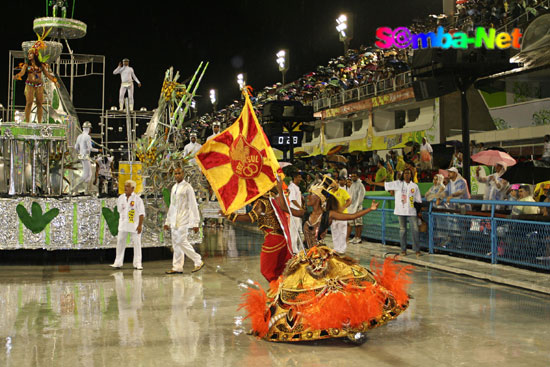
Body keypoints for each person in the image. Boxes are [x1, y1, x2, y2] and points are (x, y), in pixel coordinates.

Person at [228, 179, 303, 282]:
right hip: (280, 238)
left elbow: (251, 217)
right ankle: (281, 289)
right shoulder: (273, 199)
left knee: (267, 271)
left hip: (273, 239)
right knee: (279, 270)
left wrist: (231, 216)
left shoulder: (262, 201)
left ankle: (276, 289)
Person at [368, 168, 423, 256]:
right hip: (400, 211)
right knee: (402, 230)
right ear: (403, 175)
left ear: (411, 175)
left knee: (415, 230)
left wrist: (419, 211)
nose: (407, 175)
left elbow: (418, 200)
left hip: (412, 211)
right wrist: (373, 183)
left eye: (408, 173)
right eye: (405, 173)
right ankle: (403, 250)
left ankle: (417, 250)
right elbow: (385, 184)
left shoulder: (415, 186)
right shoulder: (398, 183)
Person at [164, 166, 204, 274]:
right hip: (174, 220)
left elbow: (193, 205)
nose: (177, 175)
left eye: (179, 173)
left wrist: (195, 222)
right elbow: (172, 206)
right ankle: (177, 267)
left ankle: (197, 260)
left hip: (183, 219)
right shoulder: (174, 188)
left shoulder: (187, 187)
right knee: (176, 244)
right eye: (175, 173)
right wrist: (167, 221)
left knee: (181, 241)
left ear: (183, 174)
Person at [15, 48, 59, 123]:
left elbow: (48, 75)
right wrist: (17, 76)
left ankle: (39, 123)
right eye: (28, 54)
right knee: (29, 103)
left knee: (39, 104)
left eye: (31, 53)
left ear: (35, 55)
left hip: (39, 85)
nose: (29, 55)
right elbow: (22, 73)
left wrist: (55, 81)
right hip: (29, 85)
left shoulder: (41, 66)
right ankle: (27, 123)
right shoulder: (26, 65)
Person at [111, 180, 145, 270]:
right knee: (120, 242)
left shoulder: (137, 199)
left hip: (134, 225)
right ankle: (118, 262)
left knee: (137, 244)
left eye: (128, 186)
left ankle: (137, 263)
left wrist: (140, 225)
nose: (125, 188)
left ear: (133, 188)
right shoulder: (121, 198)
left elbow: (141, 214)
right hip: (123, 224)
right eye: (125, 186)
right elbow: (119, 211)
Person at [74, 121, 99, 195]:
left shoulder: (79, 136)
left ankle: (85, 190)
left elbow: (76, 147)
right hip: (85, 157)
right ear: (88, 129)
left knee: (89, 174)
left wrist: (79, 153)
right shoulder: (87, 137)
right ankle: (75, 188)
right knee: (87, 174)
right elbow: (90, 148)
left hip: (82, 156)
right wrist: (98, 150)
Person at [329, 177, 351, 254]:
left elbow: (349, 200)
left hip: (342, 215)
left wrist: (343, 207)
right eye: (332, 182)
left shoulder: (342, 191)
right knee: (334, 231)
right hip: (333, 215)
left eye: (335, 181)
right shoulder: (329, 192)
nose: (334, 183)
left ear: (337, 182)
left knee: (342, 232)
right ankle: (336, 248)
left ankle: (342, 249)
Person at [347, 173, 366, 244]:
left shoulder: (360, 185)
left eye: (355, 176)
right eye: (352, 176)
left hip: (357, 207)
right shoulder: (352, 185)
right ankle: (355, 237)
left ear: (358, 176)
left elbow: (361, 196)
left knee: (358, 223)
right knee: (354, 223)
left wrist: (357, 205)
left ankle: (359, 237)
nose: (353, 177)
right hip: (351, 207)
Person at [287, 172, 304, 254]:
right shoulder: (291, 187)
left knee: (296, 230)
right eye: (299, 177)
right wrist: (300, 207)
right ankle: (292, 248)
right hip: (294, 211)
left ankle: (294, 248)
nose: (300, 179)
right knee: (293, 231)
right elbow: (292, 199)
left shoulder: (297, 187)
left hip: (298, 212)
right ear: (294, 177)